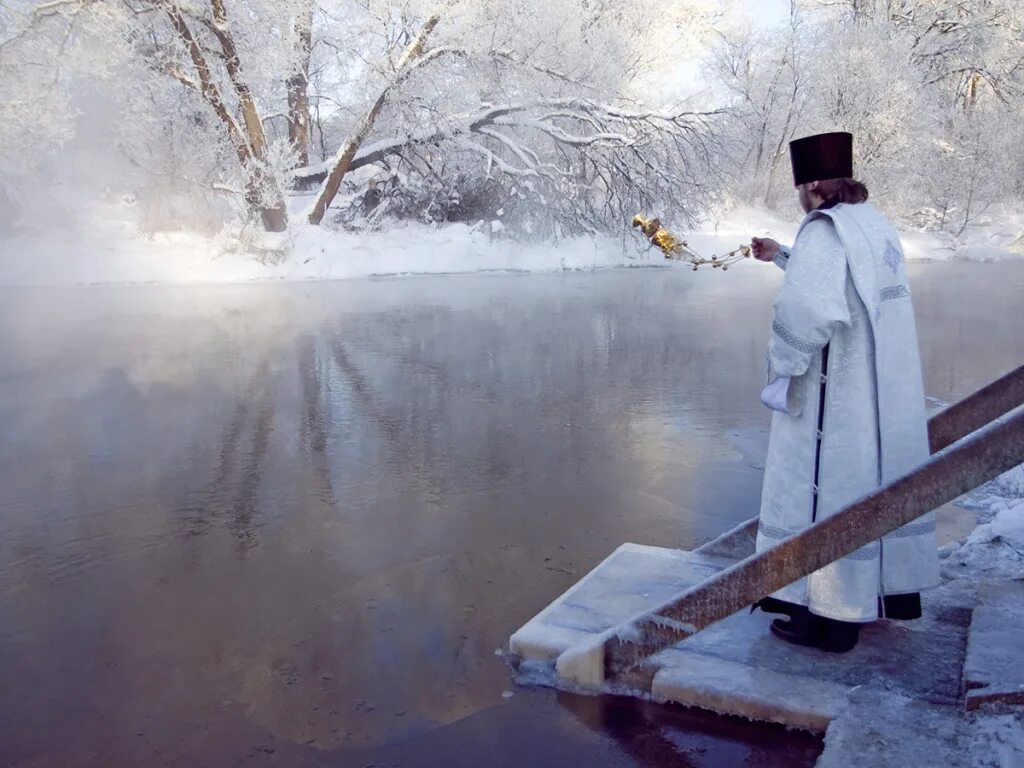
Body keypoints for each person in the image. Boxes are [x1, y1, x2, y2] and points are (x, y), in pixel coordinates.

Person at [748, 131, 939, 653]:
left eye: (800, 189)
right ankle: (862, 600)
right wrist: (784, 255)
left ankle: (829, 619)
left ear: (812, 184)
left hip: (833, 402)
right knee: (864, 489)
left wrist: (782, 368)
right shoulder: (871, 225)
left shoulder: (824, 230)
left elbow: (809, 309)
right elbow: (843, 283)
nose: (800, 199)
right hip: (876, 397)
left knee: (824, 496)